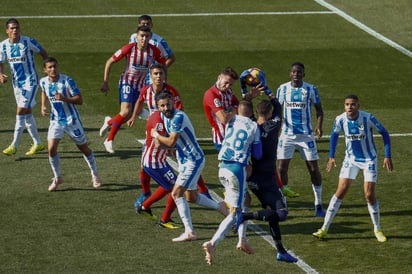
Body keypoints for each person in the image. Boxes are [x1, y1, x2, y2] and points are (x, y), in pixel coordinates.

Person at [127, 63, 212, 208]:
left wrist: (172, 137)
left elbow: (179, 112)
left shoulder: (171, 92)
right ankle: (146, 193)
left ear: (165, 76)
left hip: (170, 133)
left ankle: (204, 191)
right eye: (155, 74)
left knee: (186, 163)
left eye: (161, 73)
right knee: (144, 165)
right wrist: (134, 116)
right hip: (155, 132)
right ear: (150, 76)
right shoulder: (146, 90)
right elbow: (140, 102)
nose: (158, 76)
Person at [313, 95, 393, 242]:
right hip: (351, 160)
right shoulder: (340, 119)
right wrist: (332, 156)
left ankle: (377, 228)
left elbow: (385, 133)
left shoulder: (368, 118)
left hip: (369, 159)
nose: (350, 107)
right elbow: (334, 135)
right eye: (347, 104)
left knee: (369, 194)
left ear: (358, 106)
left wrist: (387, 156)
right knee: (340, 190)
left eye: (353, 104)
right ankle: (324, 228)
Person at [151, 91, 227, 242]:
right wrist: (163, 142)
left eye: (168, 104)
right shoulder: (166, 118)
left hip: (193, 160)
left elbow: (170, 142)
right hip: (185, 160)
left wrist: (156, 136)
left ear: (173, 102)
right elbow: (167, 143)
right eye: (162, 106)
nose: (166, 108)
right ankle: (222, 208)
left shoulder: (177, 117)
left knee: (176, 193)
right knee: (190, 197)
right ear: (158, 107)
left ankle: (189, 232)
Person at [236, 98, 298, 263]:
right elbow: (279, 108)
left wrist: (246, 91)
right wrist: (268, 92)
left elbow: (243, 110)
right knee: (281, 214)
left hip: (253, 179)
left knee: (272, 214)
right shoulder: (273, 126)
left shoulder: (250, 125)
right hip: (268, 181)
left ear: (257, 112)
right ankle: (245, 215)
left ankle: (281, 251)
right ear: (269, 113)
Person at [202, 100, 262, 266]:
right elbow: (257, 154)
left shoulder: (231, 120)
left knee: (245, 202)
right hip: (237, 170)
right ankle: (213, 243)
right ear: (251, 113)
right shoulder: (253, 126)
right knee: (236, 212)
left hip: (222, 167)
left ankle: (242, 240)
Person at [99, 25, 166, 154]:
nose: (144, 39)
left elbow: (163, 65)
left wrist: (162, 80)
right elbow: (109, 61)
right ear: (137, 37)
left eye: (146, 36)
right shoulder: (129, 48)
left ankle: (109, 122)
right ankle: (109, 140)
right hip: (127, 83)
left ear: (150, 37)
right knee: (125, 112)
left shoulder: (154, 51)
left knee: (128, 115)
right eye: (141, 36)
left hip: (140, 87)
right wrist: (106, 82)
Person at [40, 57, 102, 192]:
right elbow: (44, 92)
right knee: (51, 149)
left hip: (71, 120)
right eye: (49, 67)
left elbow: (80, 100)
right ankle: (57, 177)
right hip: (56, 120)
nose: (53, 69)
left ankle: (95, 173)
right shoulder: (43, 81)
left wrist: (64, 98)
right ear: (45, 70)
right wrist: (43, 106)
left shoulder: (67, 81)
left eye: (54, 66)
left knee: (83, 148)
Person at [276, 61, 325, 216]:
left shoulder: (310, 89)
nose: (296, 74)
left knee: (313, 168)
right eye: (293, 72)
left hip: (306, 135)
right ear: (290, 74)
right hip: (287, 135)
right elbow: (277, 110)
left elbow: (319, 110)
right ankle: (283, 203)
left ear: (304, 74)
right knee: (281, 168)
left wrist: (319, 126)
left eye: (299, 72)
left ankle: (318, 202)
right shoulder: (282, 89)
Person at [0, 18, 47, 156]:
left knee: (20, 111)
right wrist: (1, 74)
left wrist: (48, 72)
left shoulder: (28, 41)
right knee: (26, 114)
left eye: (17, 28)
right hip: (17, 85)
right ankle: (38, 143)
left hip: (30, 82)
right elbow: (0, 61)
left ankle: (14, 145)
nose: (15, 30)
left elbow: (43, 53)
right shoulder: (3, 46)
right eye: (12, 28)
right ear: (7, 31)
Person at [129, 14, 175, 84]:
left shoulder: (159, 41)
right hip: (135, 74)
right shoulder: (133, 37)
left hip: (151, 77)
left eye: (148, 24)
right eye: (143, 24)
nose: (145, 26)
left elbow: (171, 58)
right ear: (138, 25)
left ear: (151, 25)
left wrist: (161, 69)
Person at [203, 66, 240, 151]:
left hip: (231, 134)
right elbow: (224, 119)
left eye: (230, 84)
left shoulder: (228, 91)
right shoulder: (211, 94)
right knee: (231, 163)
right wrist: (234, 110)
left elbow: (237, 104)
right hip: (221, 137)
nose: (227, 86)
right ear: (219, 77)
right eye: (226, 82)